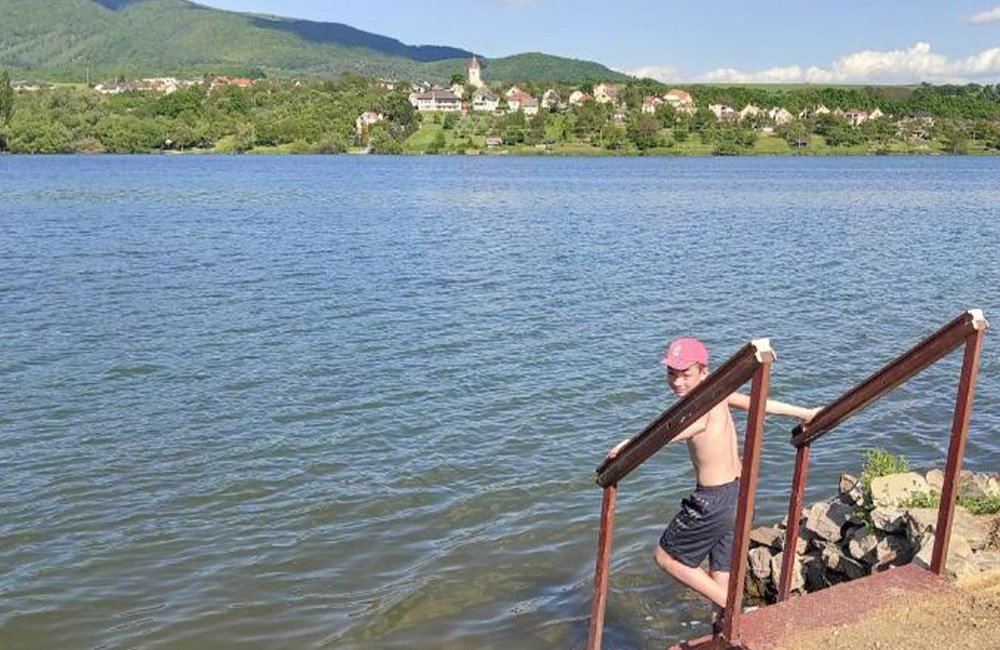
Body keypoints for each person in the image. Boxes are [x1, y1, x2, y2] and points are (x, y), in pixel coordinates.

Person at [607, 336, 820, 628]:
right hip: (737, 494)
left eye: (686, 374)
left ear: (704, 372)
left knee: (666, 558)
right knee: (720, 577)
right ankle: (728, 626)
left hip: (713, 501)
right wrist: (805, 412)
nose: (677, 382)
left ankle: (738, 609)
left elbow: (665, 435)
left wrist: (628, 444)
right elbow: (759, 404)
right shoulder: (717, 393)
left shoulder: (698, 412)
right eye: (672, 373)